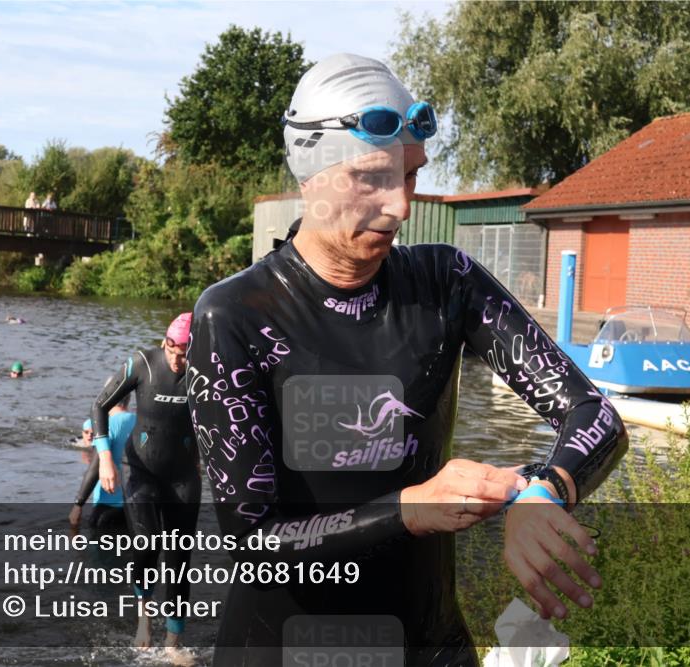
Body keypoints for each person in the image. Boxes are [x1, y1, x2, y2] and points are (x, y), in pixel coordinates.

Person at [186, 53, 628, 666]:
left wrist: (544, 490)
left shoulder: (445, 282)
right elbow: (253, 544)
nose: (401, 206)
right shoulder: (235, 314)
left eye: (412, 175)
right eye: (371, 177)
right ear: (310, 176)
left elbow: (593, 414)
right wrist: (408, 511)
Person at [84, 313, 199, 655]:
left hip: (183, 479)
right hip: (142, 474)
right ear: (165, 343)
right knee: (147, 547)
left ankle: (174, 644)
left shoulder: (204, 371)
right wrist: (105, 457)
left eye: (187, 354)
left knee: (179, 560)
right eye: (175, 353)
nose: (180, 362)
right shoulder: (142, 364)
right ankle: (144, 618)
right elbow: (100, 405)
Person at [69, 391, 136, 531]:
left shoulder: (105, 425)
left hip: (107, 507)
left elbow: (95, 468)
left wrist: (78, 504)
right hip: (138, 508)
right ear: (128, 400)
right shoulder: (142, 422)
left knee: (101, 550)